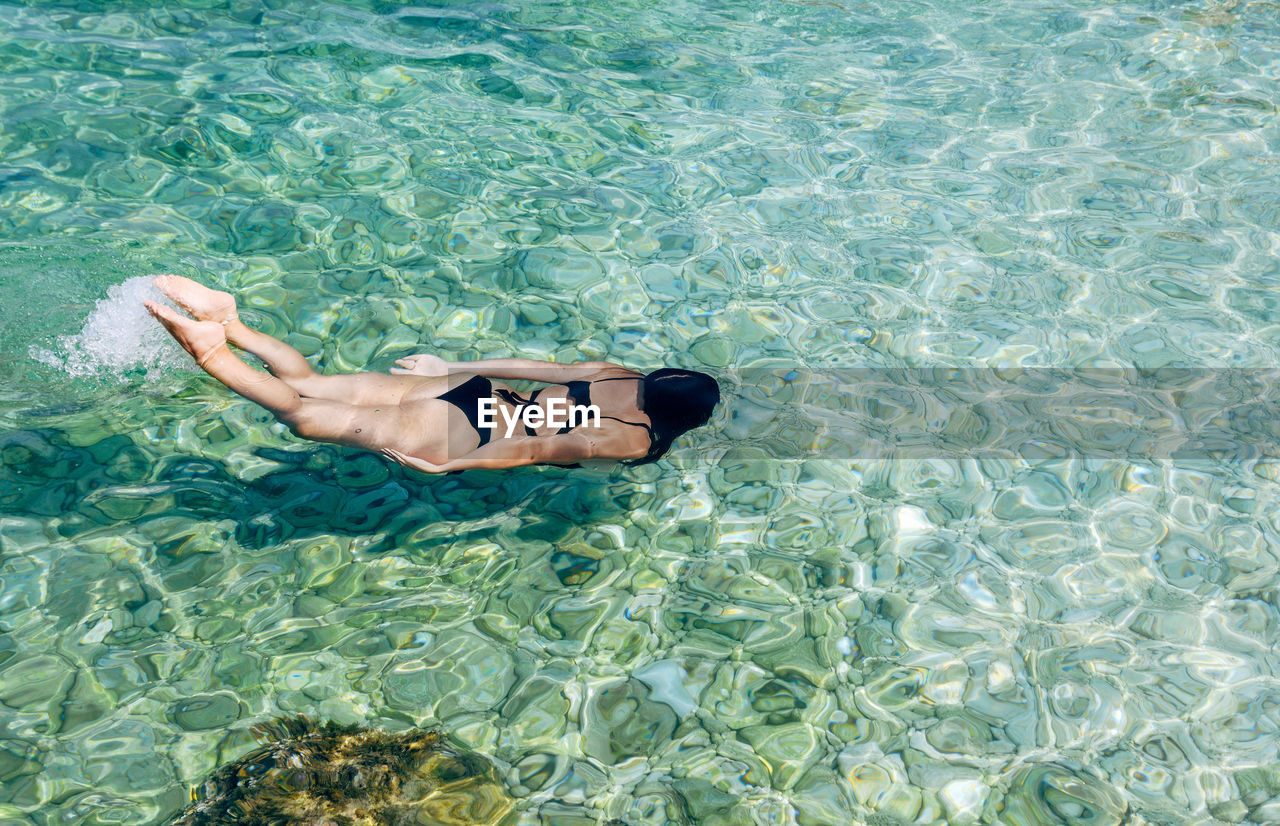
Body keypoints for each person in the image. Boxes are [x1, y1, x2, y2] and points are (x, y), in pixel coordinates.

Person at [144, 275, 719, 473]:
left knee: (312, 384)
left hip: (480, 392)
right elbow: (535, 453)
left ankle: (232, 324)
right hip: (478, 431)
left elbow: (535, 367)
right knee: (303, 415)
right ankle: (213, 353)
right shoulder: (635, 440)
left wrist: (450, 365)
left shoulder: (621, 373)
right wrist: (450, 465)